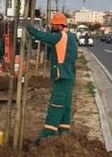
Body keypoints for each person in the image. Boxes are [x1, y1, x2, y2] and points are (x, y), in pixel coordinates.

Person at [26, 12, 78, 145]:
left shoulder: (61, 36)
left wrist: (31, 29)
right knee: (65, 106)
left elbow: (44, 36)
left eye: (53, 25)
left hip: (62, 75)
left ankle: (46, 136)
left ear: (60, 25)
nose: (51, 28)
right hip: (69, 75)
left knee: (56, 104)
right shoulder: (70, 37)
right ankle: (64, 133)